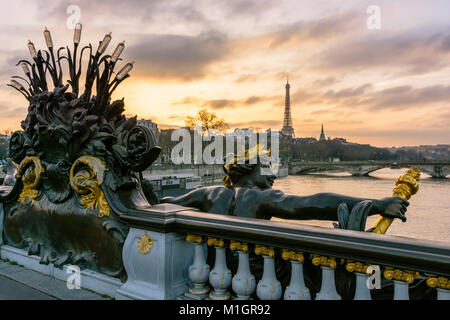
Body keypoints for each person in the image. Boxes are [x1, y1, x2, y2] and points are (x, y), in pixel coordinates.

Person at [160, 146, 408, 224]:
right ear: (250, 167)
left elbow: (166, 203)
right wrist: (376, 204)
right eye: (267, 168)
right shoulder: (259, 198)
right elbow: (314, 204)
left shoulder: (208, 193)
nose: (274, 176)